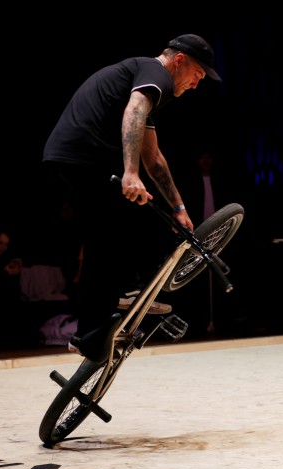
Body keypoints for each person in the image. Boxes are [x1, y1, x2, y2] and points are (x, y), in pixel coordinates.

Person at [42, 33, 222, 361]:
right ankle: (123, 295)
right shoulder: (155, 74)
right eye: (197, 75)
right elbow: (134, 113)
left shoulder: (140, 80)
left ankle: (87, 331)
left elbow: (154, 159)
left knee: (106, 233)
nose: (196, 85)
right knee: (122, 220)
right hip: (84, 154)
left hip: (73, 154)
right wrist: (129, 171)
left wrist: (179, 207)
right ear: (179, 60)